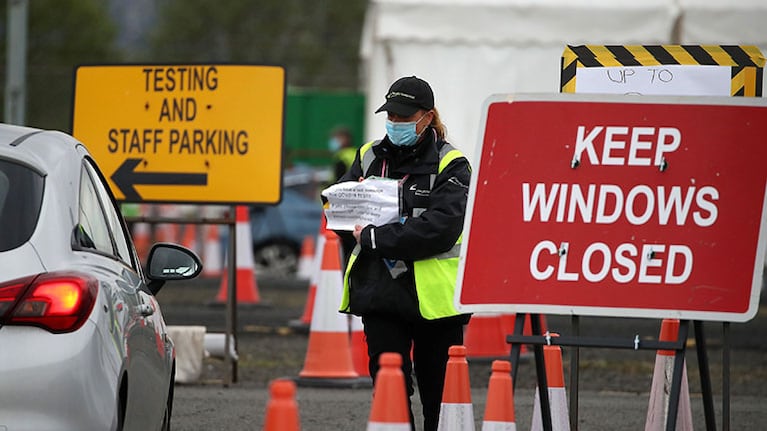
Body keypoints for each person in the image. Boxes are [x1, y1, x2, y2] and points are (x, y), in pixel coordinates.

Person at [331, 76, 471, 431]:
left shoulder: (452, 164)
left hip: (435, 303)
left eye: (405, 116)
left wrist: (379, 239)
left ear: (427, 117)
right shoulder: (367, 156)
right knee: (389, 387)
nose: (395, 122)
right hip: (381, 293)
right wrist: (352, 203)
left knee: (439, 396)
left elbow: (442, 229)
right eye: (391, 115)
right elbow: (336, 210)